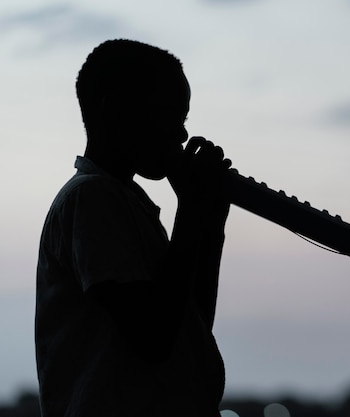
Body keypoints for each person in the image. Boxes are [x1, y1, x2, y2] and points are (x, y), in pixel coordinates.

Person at [35, 39, 231, 417]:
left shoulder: (125, 201)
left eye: (184, 120)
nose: (181, 136)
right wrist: (191, 211)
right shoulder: (91, 198)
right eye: (171, 117)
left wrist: (209, 223)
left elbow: (188, 329)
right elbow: (153, 337)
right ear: (117, 112)